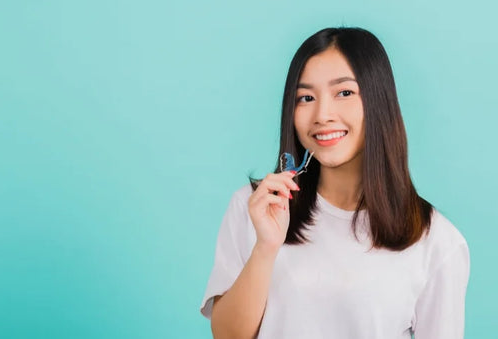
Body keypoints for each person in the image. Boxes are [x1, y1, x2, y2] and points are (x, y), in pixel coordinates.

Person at [200, 27, 470, 338]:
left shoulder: (437, 242)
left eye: (344, 93)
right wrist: (265, 247)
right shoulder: (257, 208)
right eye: (306, 97)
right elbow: (226, 335)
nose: (322, 114)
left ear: (378, 101)